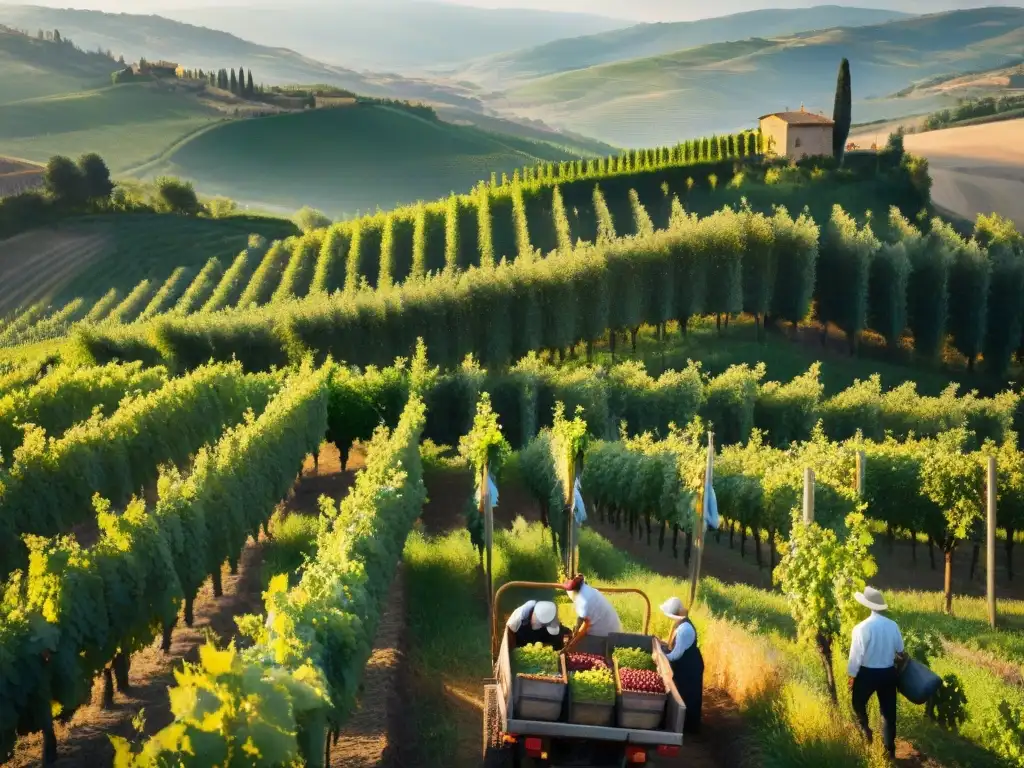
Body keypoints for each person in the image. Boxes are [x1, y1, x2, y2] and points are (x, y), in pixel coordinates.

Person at [848, 586, 905, 759]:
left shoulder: (861, 627)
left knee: (858, 702)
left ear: (867, 606)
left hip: (867, 674)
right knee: (888, 714)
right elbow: (900, 651)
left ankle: (865, 730)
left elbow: (855, 656)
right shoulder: (892, 625)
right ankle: (889, 751)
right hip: (888, 674)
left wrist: (852, 677)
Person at [660, 596, 704, 735]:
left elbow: (676, 655)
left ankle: (689, 728)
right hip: (686, 663)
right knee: (684, 692)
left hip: (689, 666)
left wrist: (660, 656)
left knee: (689, 695)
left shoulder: (684, 629)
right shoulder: (681, 624)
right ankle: (686, 725)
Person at [561, 574, 622, 652]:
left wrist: (572, 644)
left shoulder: (583, 601)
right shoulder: (587, 590)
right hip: (613, 630)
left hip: (605, 636)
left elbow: (585, 627)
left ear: (572, 592)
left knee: (576, 648)